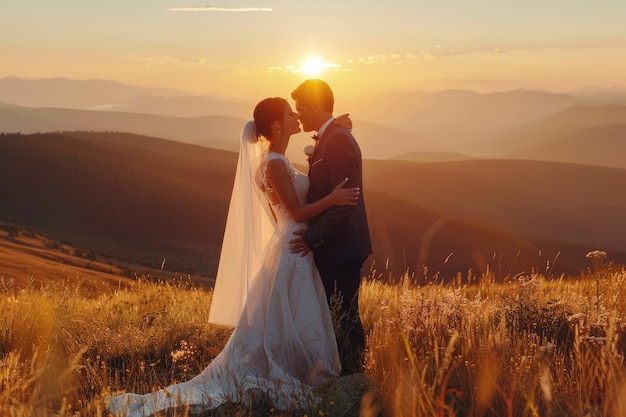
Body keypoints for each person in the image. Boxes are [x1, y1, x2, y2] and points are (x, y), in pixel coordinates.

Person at [107, 97, 359, 416]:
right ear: (277, 125)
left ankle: (302, 367)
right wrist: (334, 198)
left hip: (291, 243)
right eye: (289, 113)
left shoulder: (277, 160)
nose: (297, 116)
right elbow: (294, 212)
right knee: (291, 310)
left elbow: (281, 212)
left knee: (289, 313)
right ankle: (299, 371)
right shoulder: (273, 164)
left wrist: (334, 128)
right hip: (294, 244)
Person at [289, 79, 373, 375]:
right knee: (337, 317)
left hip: (341, 249)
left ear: (316, 106)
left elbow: (344, 203)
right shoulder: (332, 136)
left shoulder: (337, 139)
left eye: (301, 109)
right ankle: (347, 376)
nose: (298, 115)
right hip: (335, 248)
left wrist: (312, 238)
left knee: (345, 319)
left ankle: (355, 378)